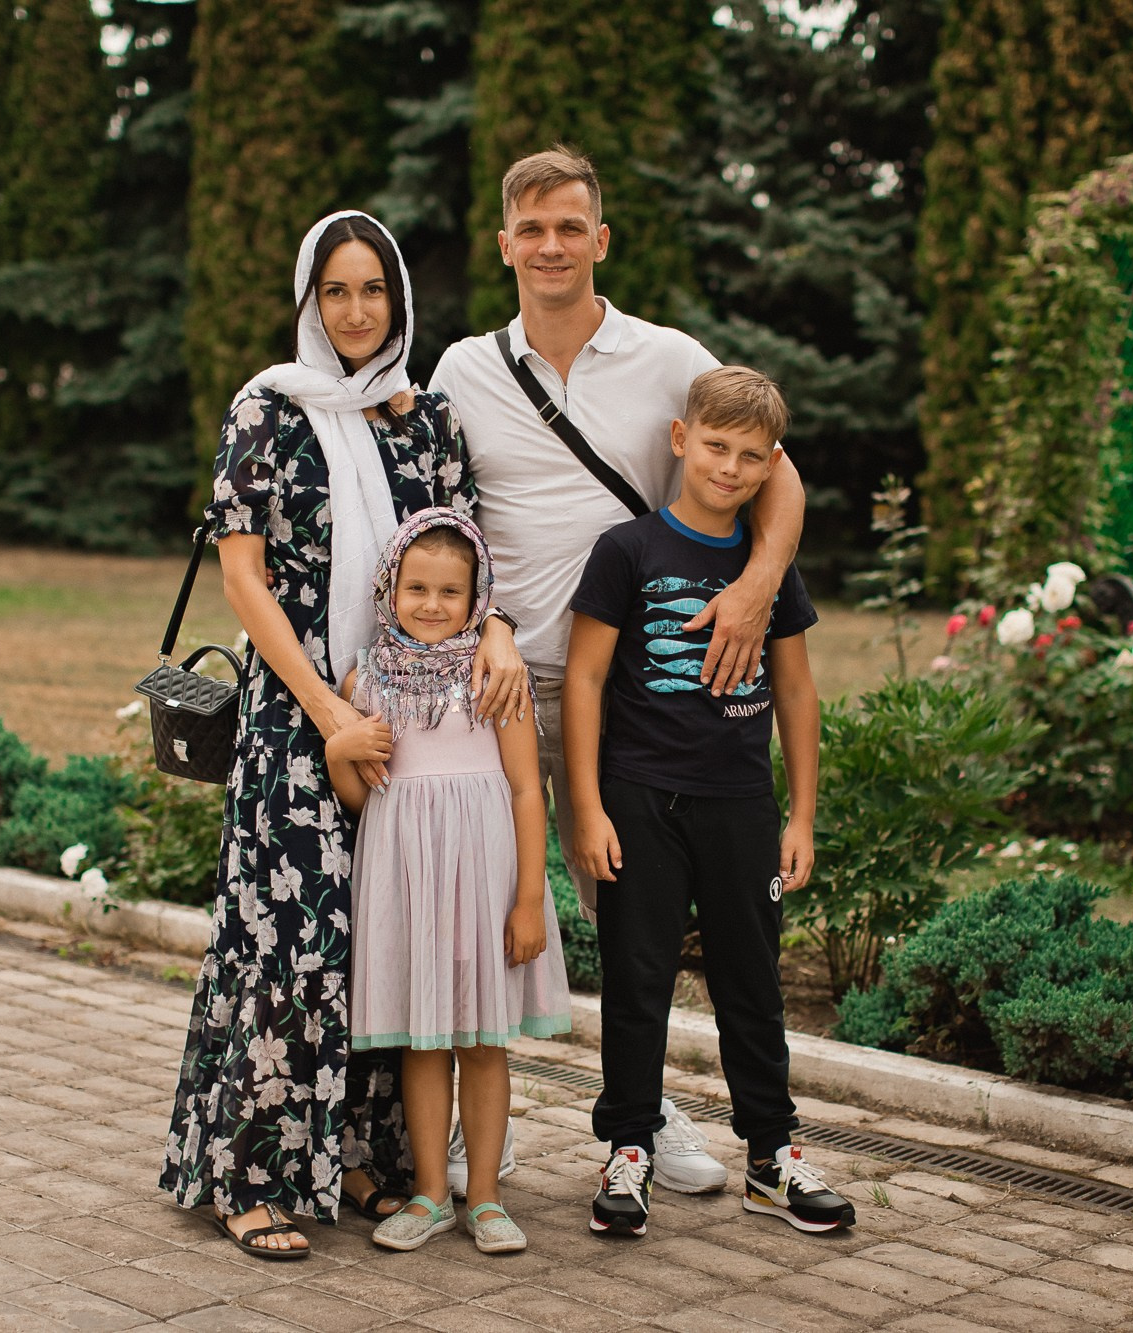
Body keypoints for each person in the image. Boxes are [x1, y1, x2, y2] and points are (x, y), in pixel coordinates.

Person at [431, 144, 807, 1194]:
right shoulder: (460, 370)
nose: (550, 245)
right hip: (491, 688)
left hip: (630, 693)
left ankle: (646, 1118)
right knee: (481, 902)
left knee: (630, 921)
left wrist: (756, 584)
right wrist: (488, 622)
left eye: (570, 227)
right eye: (531, 228)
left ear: (600, 239)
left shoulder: (665, 357)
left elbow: (774, 471)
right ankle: (471, 1121)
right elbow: (441, 521)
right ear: (504, 243)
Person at [159, 211, 528, 1260]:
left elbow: (473, 562)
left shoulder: (429, 423)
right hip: (298, 718)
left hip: (413, 717)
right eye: (336, 292)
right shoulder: (267, 410)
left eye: (374, 291)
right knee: (286, 944)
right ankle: (253, 1173)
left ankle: (361, 1158)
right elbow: (243, 574)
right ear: (309, 302)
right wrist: (328, 713)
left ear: (399, 303)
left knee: (383, 941)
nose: (356, 311)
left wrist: (496, 631)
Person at [563, 366, 854, 1238]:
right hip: (640, 796)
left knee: (751, 983)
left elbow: (797, 693)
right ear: (683, 441)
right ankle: (628, 1150)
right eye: (715, 446)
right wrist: (587, 807)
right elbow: (582, 679)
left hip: (740, 804)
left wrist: (800, 814)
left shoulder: (769, 572)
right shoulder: (630, 551)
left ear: (772, 466)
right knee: (637, 980)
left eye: (749, 456)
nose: (729, 467)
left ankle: (773, 1156)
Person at [326, 508, 571, 1255]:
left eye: (451, 592)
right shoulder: (365, 679)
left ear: (478, 599)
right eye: (417, 587)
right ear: (389, 587)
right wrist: (342, 752)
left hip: (485, 879)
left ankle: (487, 1197)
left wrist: (530, 896)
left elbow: (529, 791)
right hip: (408, 880)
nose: (432, 605)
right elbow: (366, 799)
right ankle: (431, 1192)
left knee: (484, 1041)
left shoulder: (495, 675)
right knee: (424, 1041)